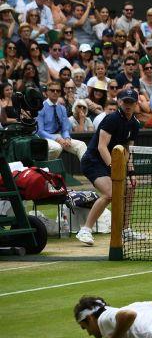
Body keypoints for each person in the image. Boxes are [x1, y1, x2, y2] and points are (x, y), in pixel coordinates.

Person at [77, 89, 143, 245]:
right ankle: (85, 230)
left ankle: (126, 230)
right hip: (93, 161)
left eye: (131, 102)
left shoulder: (134, 124)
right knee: (110, 193)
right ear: (120, 102)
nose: (128, 105)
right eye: (125, 102)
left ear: (135, 104)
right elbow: (101, 147)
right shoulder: (111, 119)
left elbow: (128, 150)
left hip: (111, 162)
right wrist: (114, 167)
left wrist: (131, 172)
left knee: (130, 188)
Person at [37, 81, 88, 161]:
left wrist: (67, 138)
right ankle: (43, 168)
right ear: (47, 92)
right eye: (52, 90)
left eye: (58, 91)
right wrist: (56, 138)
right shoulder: (41, 107)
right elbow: (40, 131)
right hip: (44, 138)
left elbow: (65, 129)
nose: (55, 92)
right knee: (56, 148)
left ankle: (87, 171)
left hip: (60, 137)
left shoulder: (62, 108)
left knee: (81, 145)